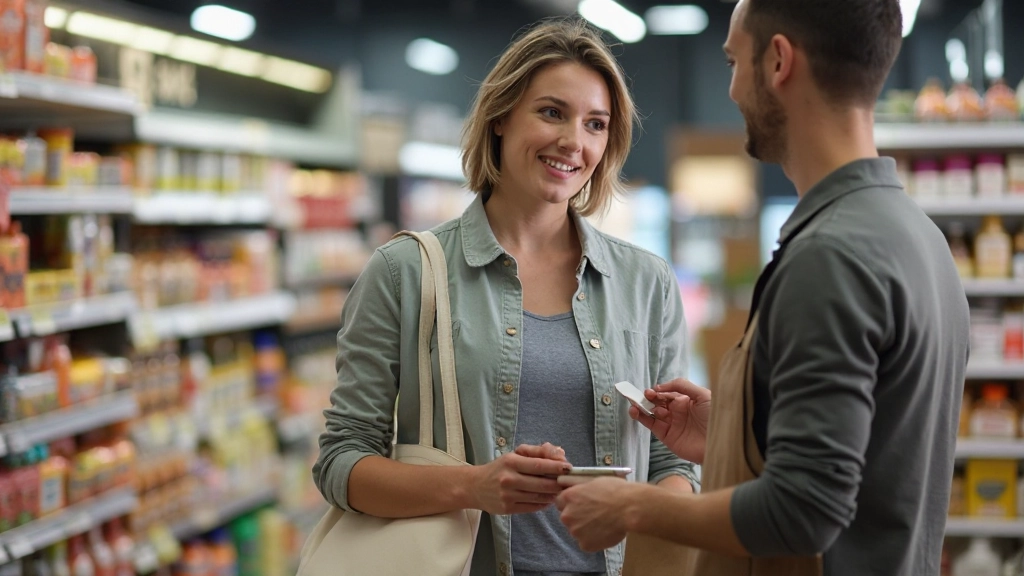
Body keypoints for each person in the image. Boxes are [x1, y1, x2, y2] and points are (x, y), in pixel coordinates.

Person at [556, 0, 970, 574]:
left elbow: (804, 511)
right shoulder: (915, 236)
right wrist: (736, 431)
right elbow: (870, 458)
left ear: (778, 61)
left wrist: (634, 506)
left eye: (732, 62)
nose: (729, 90)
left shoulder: (831, 255)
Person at [312, 18, 699, 576]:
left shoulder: (645, 282)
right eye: (551, 112)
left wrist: (651, 507)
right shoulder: (407, 272)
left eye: (595, 124)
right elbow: (342, 463)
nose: (574, 141)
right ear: (499, 117)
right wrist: (474, 485)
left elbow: (670, 461)